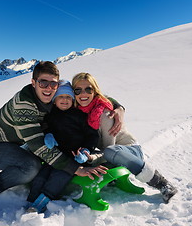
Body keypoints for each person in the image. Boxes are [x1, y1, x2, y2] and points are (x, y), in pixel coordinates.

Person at [0, 62, 107, 207]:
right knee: (31, 167)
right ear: (33, 82)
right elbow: (38, 146)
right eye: (43, 82)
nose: (48, 88)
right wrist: (77, 169)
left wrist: (116, 108)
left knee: (42, 164)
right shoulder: (24, 104)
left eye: (53, 84)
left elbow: (89, 97)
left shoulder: (53, 98)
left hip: (18, 143)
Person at [71, 72, 178, 203]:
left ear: (95, 91)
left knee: (110, 152)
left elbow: (108, 149)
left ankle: (162, 183)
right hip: (107, 152)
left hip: (127, 151)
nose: (83, 94)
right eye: (78, 90)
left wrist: (93, 158)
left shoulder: (105, 114)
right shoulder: (78, 111)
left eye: (88, 89)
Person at [25, 80, 104, 213]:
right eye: (61, 96)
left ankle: (41, 203)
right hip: (55, 156)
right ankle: (31, 200)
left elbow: (92, 136)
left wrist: (85, 151)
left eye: (68, 97)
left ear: (73, 100)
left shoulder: (80, 116)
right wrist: (48, 135)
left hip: (74, 158)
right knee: (41, 176)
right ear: (54, 100)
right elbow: (45, 128)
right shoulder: (50, 115)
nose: (64, 100)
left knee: (59, 177)